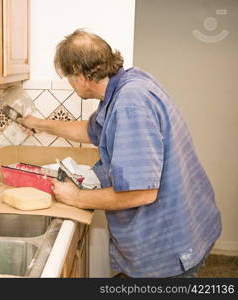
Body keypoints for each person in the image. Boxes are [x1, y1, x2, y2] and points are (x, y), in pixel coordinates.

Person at [19, 29, 222, 278]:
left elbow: (141, 193)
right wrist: (40, 124)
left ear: (80, 75)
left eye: (68, 77)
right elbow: (92, 131)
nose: (69, 84)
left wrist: (75, 198)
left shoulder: (130, 103)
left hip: (170, 245)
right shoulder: (126, 84)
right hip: (187, 226)